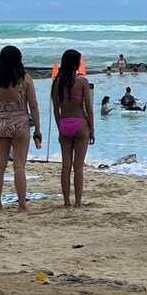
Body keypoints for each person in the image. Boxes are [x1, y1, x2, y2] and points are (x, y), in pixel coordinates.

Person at [0, 46, 42, 212]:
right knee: (19, 166)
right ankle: (22, 205)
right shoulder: (25, 79)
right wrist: (37, 128)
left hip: (0, 123)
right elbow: (33, 105)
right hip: (20, 123)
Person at [51, 49, 94, 208]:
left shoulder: (57, 82)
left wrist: (60, 128)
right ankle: (78, 202)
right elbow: (88, 108)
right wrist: (92, 129)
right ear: (76, 63)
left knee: (66, 166)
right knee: (78, 166)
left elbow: (56, 110)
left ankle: (66, 202)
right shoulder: (82, 81)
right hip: (80, 123)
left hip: (64, 123)